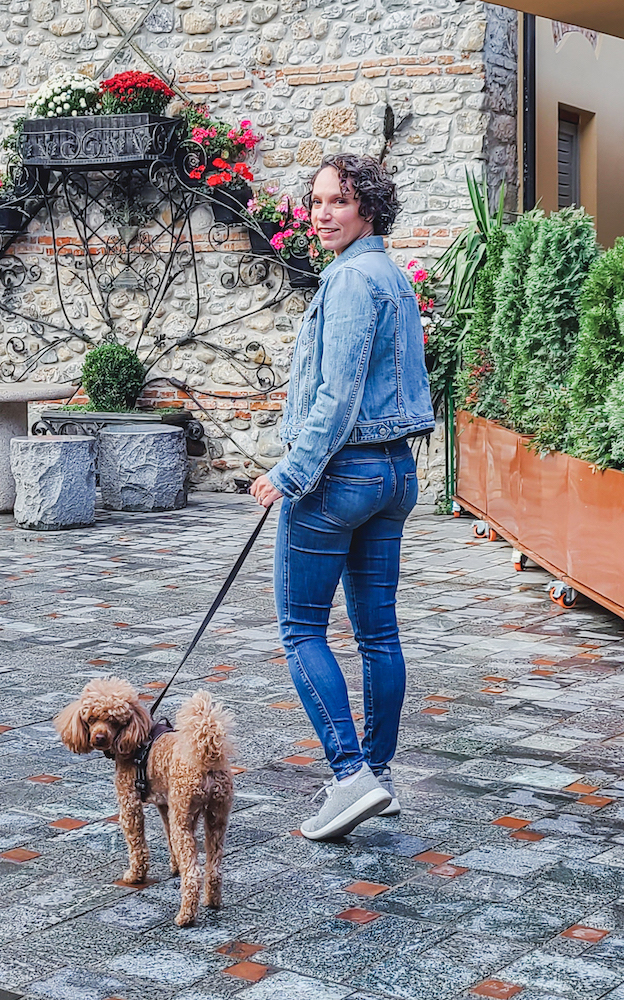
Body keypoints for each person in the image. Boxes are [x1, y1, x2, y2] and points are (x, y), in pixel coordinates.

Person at [249, 153, 435, 841]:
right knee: (377, 632)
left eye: (339, 202)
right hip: (392, 474)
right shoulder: (391, 275)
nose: (322, 214)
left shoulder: (354, 280)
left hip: (339, 477)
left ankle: (350, 774)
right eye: (318, 200)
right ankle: (375, 778)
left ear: (369, 210)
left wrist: (291, 473)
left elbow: (337, 395)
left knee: (301, 629)